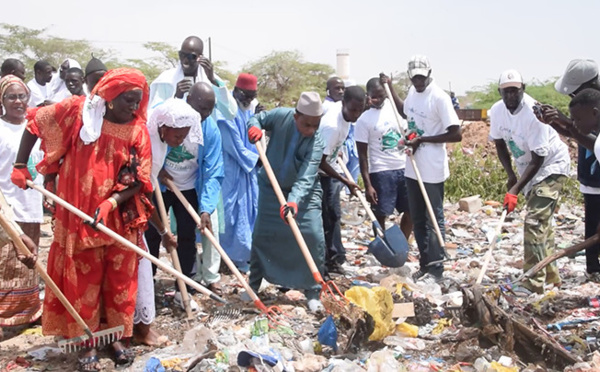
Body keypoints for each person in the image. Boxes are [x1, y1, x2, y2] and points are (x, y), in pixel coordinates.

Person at [10, 68, 168, 370]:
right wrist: (20, 165)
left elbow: (140, 179)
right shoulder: (77, 112)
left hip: (118, 218)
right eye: (128, 102)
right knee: (84, 278)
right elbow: (35, 124)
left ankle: (115, 337)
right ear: (109, 99)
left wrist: (111, 202)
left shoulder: (137, 130)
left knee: (118, 279)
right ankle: (86, 341)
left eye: (138, 102)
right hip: (77, 212)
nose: (134, 108)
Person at [490, 69, 570, 294]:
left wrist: (515, 188)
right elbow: (499, 144)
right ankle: (551, 276)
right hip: (528, 169)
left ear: (522, 90)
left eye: (515, 91)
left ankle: (533, 282)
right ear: (500, 92)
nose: (510, 96)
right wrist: (511, 176)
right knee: (543, 224)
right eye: (506, 92)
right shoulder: (497, 111)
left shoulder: (533, 113)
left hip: (551, 167)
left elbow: (539, 158)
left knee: (534, 221)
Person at [246, 91, 326, 313]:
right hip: (271, 189)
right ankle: (254, 285)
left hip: (303, 195)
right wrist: (253, 126)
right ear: (296, 116)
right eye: (307, 124)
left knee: (313, 235)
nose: (311, 130)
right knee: (262, 236)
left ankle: (313, 291)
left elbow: (307, 176)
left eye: (315, 125)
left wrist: (293, 202)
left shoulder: (316, 142)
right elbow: (257, 118)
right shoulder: (281, 116)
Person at [146, 82, 224, 305]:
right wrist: (157, 167)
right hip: (160, 186)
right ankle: (147, 282)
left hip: (189, 188)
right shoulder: (167, 115)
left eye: (210, 109)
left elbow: (213, 171)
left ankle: (184, 287)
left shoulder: (210, 130)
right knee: (152, 233)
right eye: (201, 109)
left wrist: (206, 208)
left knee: (188, 236)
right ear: (189, 101)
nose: (205, 115)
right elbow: (149, 143)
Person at [137, 98, 200, 344]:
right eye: (177, 136)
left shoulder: (162, 141)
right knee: (141, 260)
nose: (181, 142)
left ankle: (140, 320)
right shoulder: (147, 141)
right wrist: (163, 230)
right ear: (162, 127)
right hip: (131, 202)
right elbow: (143, 192)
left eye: (185, 136)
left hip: (146, 194)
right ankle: (140, 324)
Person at [536, 59, 600, 282]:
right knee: (592, 225)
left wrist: (569, 124)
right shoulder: (588, 111)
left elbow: (592, 141)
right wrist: (555, 123)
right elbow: (580, 137)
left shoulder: (594, 109)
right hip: (591, 177)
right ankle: (593, 269)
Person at [402, 55, 462, 282]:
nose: (418, 81)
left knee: (433, 218)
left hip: (432, 168)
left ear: (428, 73)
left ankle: (437, 268)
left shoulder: (439, 98)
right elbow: (406, 114)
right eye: (414, 77)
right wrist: (410, 139)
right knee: (417, 218)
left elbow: (456, 133)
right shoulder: (411, 93)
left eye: (421, 76)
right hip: (412, 165)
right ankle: (425, 264)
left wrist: (423, 140)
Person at [0, 75, 43, 336]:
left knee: (29, 261)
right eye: (11, 97)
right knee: (7, 263)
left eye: (22, 96)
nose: (18, 101)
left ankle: (29, 312)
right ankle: (6, 318)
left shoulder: (34, 127)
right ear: (2, 101)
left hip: (32, 202)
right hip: (7, 205)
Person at [356, 75, 413, 248]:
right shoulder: (364, 120)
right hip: (381, 171)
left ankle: (402, 245)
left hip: (404, 168)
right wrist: (368, 185)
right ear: (368, 95)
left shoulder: (395, 109)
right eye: (374, 96)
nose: (377, 99)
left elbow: (409, 130)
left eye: (381, 95)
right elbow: (362, 156)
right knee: (381, 212)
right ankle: (382, 246)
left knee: (410, 210)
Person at [217, 73, 260, 272]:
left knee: (248, 211)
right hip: (231, 171)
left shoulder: (246, 111)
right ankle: (227, 257)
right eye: (247, 96)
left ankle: (242, 256)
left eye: (253, 96)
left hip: (247, 173)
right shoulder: (226, 115)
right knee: (230, 214)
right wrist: (255, 160)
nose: (249, 100)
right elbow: (234, 147)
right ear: (236, 92)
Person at [318, 86, 363, 275]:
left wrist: (338, 151)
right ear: (343, 104)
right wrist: (345, 181)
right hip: (320, 174)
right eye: (352, 110)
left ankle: (335, 258)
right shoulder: (332, 126)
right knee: (327, 218)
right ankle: (327, 263)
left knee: (333, 217)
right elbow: (319, 161)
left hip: (331, 167)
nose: (356, 115)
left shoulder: (342, 112)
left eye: (360, 110)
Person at [149, 35, 237, 121]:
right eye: (182, 55)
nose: (185, 60)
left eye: (191, 56)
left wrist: (213, 81)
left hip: (205, 134)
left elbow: (230, 114)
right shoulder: (166, 80)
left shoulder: (211, 80)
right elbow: (153, 117)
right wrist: (176, 98)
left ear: (200, 57)